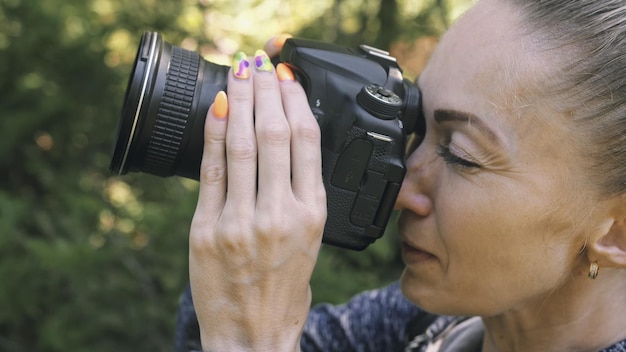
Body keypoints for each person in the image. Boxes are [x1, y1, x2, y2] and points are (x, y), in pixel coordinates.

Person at [175, 0, 626, 350]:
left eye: (461, 156)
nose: (400, 190)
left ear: (618, 233)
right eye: (416, 128)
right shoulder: (426, 329)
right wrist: (253, 169)